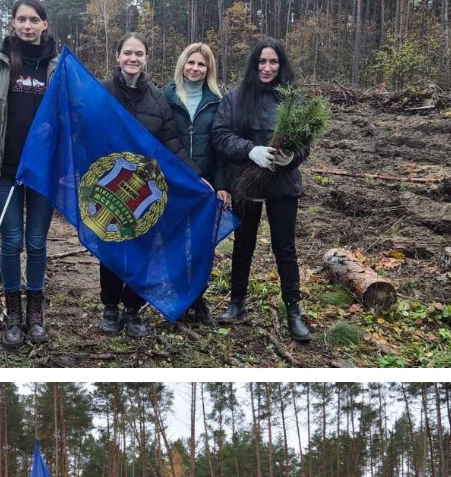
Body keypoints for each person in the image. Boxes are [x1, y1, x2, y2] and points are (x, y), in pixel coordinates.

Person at [98, 32, 201, 339]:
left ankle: (133, 309)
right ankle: (110, 308)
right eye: (128, 53)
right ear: (117, 56)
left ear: (145, 59)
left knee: (143, 248)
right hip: (110, 184)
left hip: (144, 189)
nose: (133, 59)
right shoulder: (101, 92)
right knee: (112, 245)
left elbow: (171, 142)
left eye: (139, 54)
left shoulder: (157, 98)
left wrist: (197, 176)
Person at [211, 37, 312, 341]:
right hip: (246, 181)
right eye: (262, 62)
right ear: (254, 64)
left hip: (283, 185)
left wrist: (293, 157)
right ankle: (237, 302)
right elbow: (220, 135)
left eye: (273, 62)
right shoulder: (235, 98)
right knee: (244, 245)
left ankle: (293, 311)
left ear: (281, 65)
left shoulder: (293, 100)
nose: (267, 68)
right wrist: (249, 150)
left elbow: (305, 142)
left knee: (285, 248)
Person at [0, 0, 60, 348]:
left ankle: (35, 314)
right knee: (10, 242)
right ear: (12, 23)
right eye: (21, 19)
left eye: (33, 20)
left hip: (43, 171)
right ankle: (13, 314)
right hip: (5, 169)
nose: (27, 25)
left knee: (37, 242)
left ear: (44, 25)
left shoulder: (58, 66)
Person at [164, 42, 231, 325]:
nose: (195, 68)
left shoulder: (218, 100)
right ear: (182, 64)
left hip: (206, 186)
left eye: (201, 64)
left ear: (208, 69)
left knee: (203, 245)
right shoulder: (165, 96)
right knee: (173, 243)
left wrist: (222, 184)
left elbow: (224, 146)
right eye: (191, 62)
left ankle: (199, 300)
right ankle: (179, 298)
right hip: (173, 183)